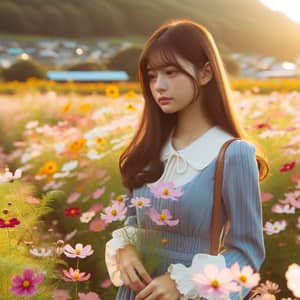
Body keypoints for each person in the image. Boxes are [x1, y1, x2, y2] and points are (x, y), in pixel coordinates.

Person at [105, 18, 269, 300]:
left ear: (205, 73)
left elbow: (247, 253)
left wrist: (182, 283)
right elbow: (133, 223)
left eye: (171, 72)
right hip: (134, 293)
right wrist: (126, 250)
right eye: (152, 75)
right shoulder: (149, 150)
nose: (159, 86)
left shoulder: (232, 153)